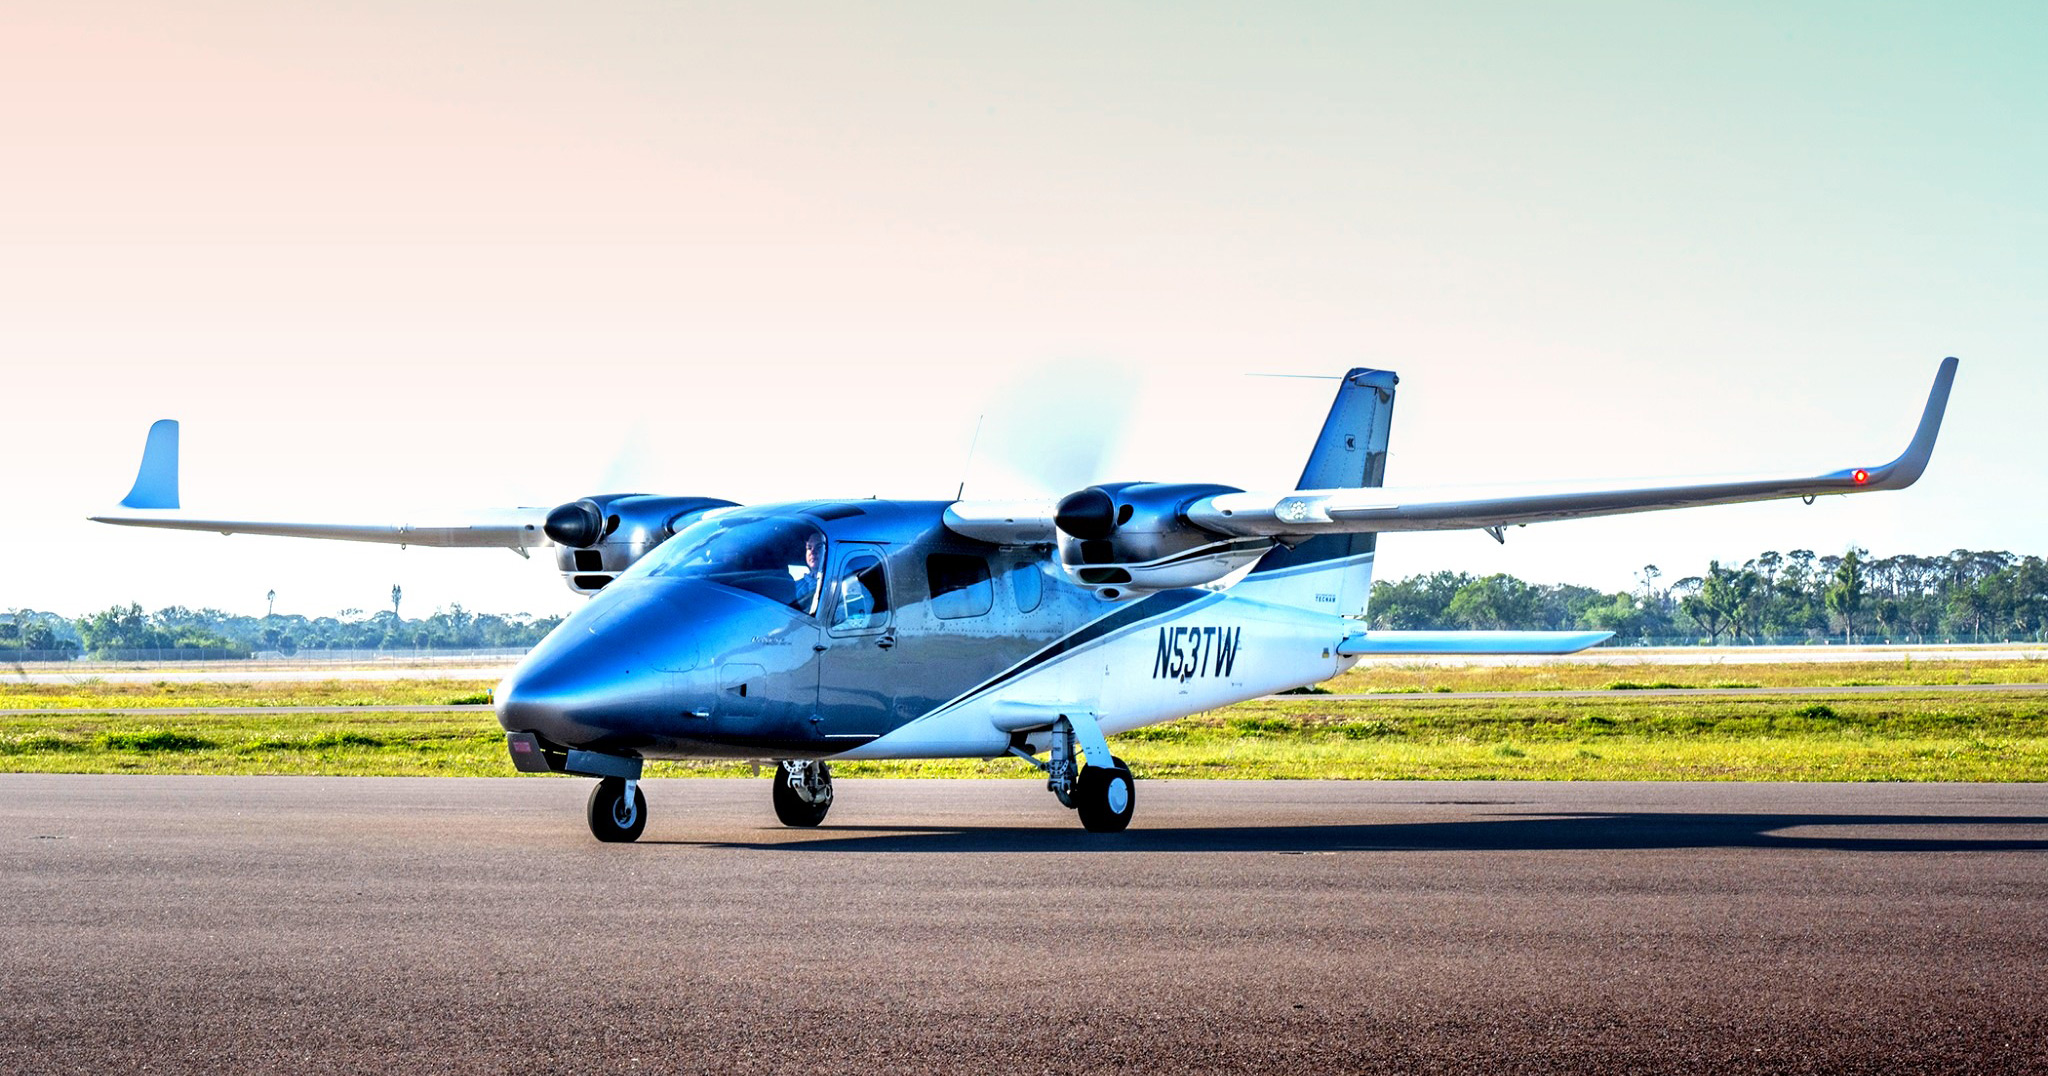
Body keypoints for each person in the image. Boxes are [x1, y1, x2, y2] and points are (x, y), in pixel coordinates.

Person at [790, 532, 826, 614]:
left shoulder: (840, 582)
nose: (813, 552)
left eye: (819, 547)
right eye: (809, 548)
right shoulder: (796, 586)